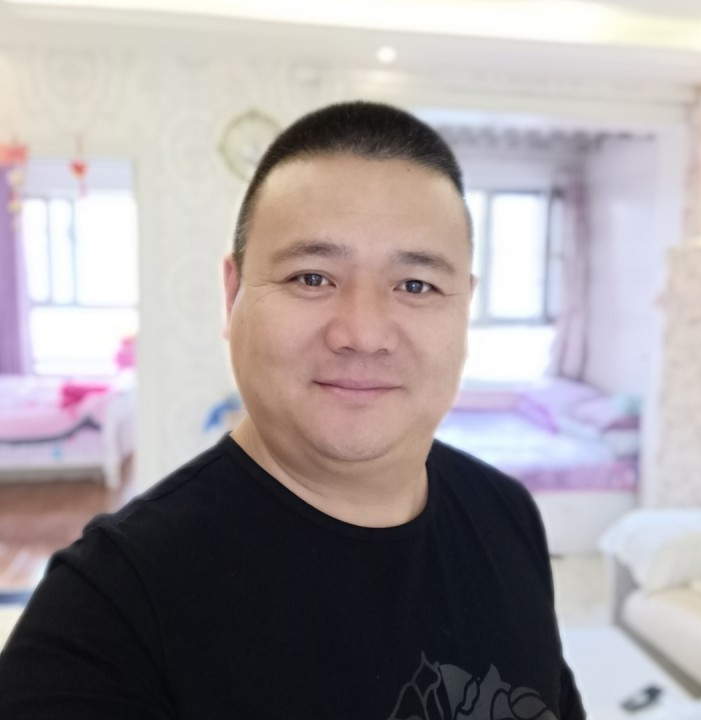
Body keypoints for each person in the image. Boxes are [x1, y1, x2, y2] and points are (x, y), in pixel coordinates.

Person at [0, 101, 585, 719]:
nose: (363, 333)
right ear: (232, 296)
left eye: (416, 285)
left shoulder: (506, 512)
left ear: (465, 306)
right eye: (312, 277)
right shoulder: (109, 610)